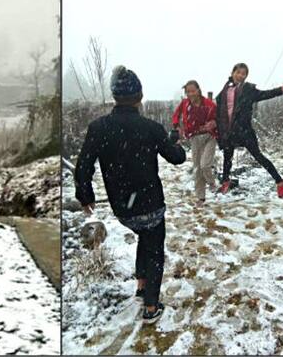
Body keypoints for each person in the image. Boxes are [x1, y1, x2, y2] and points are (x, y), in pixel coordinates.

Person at [74, 65, 186, 324]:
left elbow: (83, 165)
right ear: (140, 96)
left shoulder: (98, 128)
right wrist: (174, 142)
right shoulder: (151, 128)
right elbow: (177, 158)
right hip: (151, 204)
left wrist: (85, 195)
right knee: (154, 246)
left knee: (143, 238)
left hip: (123, 209)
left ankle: (140, 286)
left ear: (115, 96)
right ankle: (151, 307)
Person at [215, 62, 283, 197]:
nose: (240, 75)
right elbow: (218, 109)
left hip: (244, 130)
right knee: (227, 157)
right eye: (238, 72)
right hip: (228, 131)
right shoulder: (225, 89)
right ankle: (226, 182)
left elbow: (266, 94)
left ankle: (279, 181)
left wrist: (282, 90)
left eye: (243, 73)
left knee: (258, 156)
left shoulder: (249, 90)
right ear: (233, 72)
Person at [172, 80, 218, 206]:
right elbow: (176, 115)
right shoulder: (185, 103)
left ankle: (212, 182)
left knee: (205, 165)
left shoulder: (209, 104)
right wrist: (177, 126)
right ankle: (201, 198)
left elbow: (218, 117)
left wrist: (214, 122)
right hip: (194, 138)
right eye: (188, 92)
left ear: (198, 90)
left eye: (193, 91)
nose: (190, 94)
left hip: (209, 137)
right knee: (198, 169)